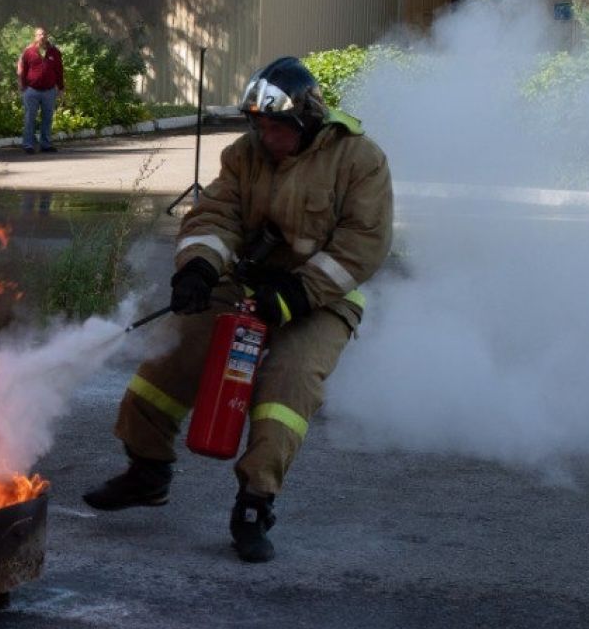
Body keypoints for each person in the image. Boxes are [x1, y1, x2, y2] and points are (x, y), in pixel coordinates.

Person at [84, 56, 394, 563]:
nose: (266, 137)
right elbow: (217, 216)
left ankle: (254, 503)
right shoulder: (244, 154)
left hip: (319, 301)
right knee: (171, 358)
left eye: (277, 128)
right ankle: (147, 471)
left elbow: (363, 246)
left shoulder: (359, 160)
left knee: (286, 389)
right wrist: (199, 269)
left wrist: (295, 297)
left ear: (307, 120)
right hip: (246, 285)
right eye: (259, 126)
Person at [17, 26, 64, 153]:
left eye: (44, 34)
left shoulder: (54, 52)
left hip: (49, 91)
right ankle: (28, 145)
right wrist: (22, 85)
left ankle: (45, 144)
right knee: (29, 118)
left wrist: (61, 87)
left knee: (47, 118)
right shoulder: (29, 52)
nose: (42, 36)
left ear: (47, 36)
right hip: (32, 90)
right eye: (39, 34)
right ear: (35, 36)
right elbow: (23, 70)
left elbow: (59, 70)